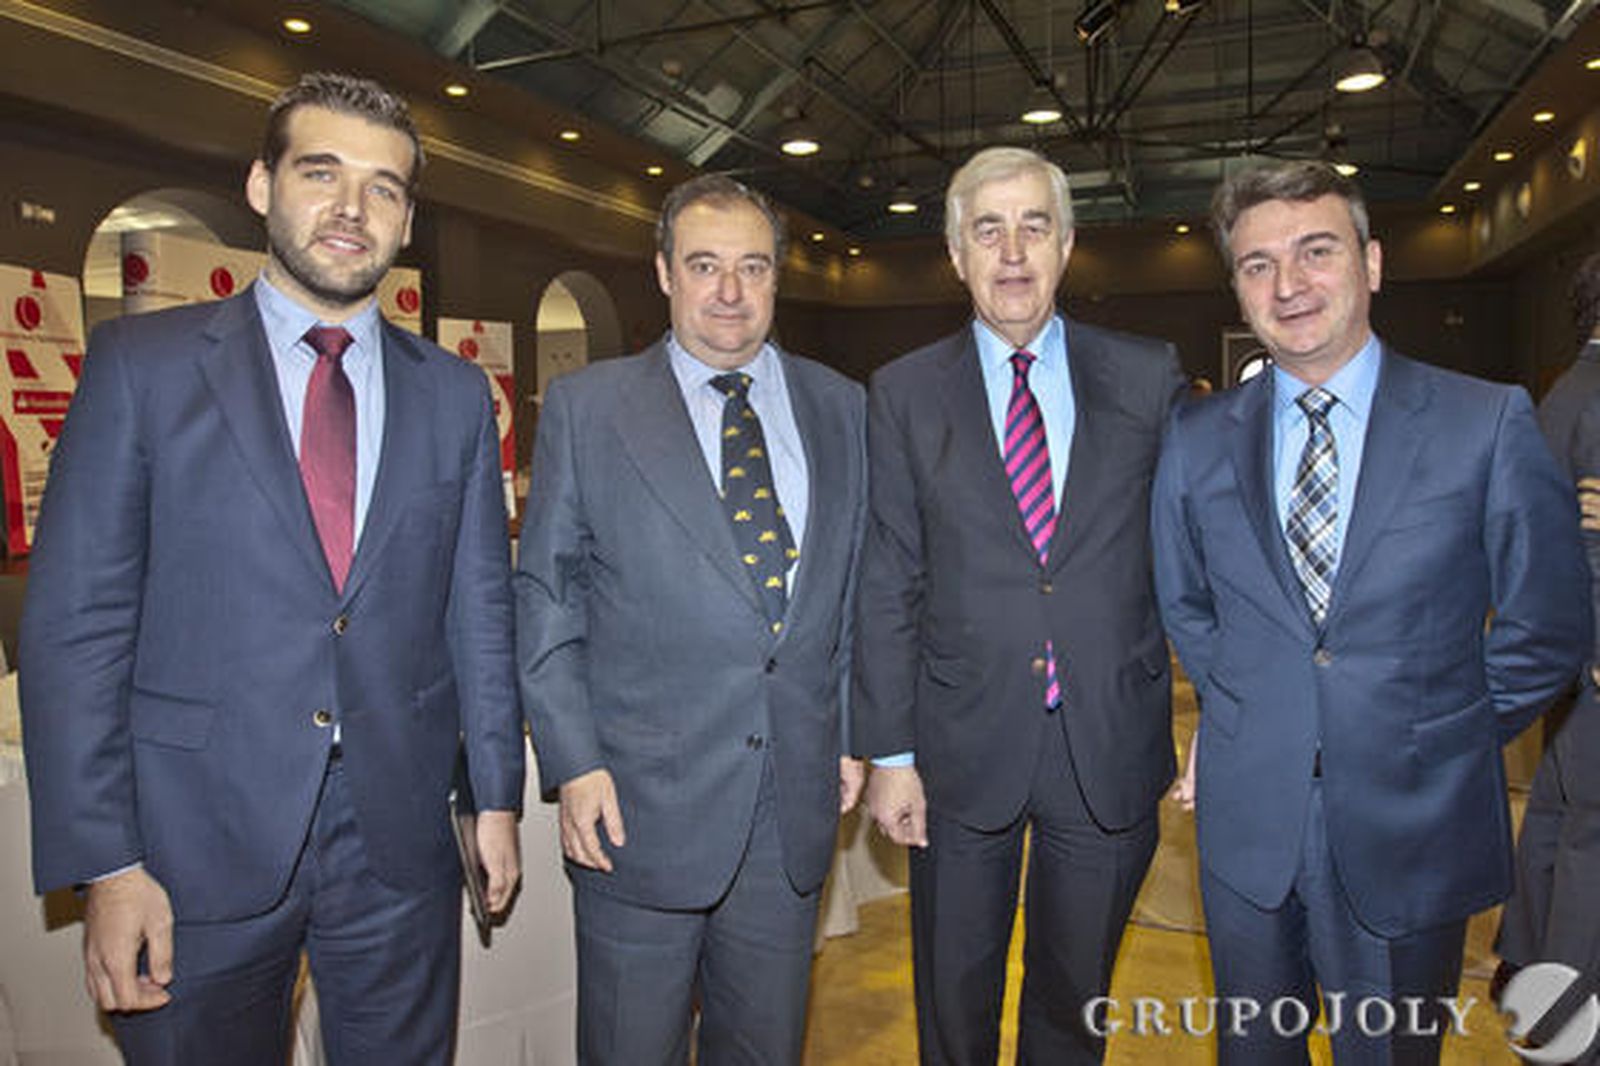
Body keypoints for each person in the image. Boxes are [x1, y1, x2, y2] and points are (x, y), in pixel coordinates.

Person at [19, 72, 525, 1065]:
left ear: (407, 217)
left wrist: (494, 796)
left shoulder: (455, 397)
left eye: (384, 187)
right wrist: (108, 864)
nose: (351, 209)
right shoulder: (141, 368)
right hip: (188, 847)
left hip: (398, 841)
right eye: (321, 172)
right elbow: (75, 627)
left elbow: (479, 612)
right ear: (261, 185)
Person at [1151, 159, 1589, 1063]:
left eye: (1317, 251)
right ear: (1237, 285)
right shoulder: (1196, 438)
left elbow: (1547, 625)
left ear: (1373, 263)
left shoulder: (1486, 422)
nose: (1289, 283)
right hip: (1250, 825)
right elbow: (1184, 600)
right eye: (1258, 264)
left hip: (1412, 819)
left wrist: (1439, 729)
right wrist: (1245, 708)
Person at [514, 174, 867, 1065]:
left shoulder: (844, 408)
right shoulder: (589, 410)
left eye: (753, 267)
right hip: (636, 807)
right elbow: (547, 594)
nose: (730, 293)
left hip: (789, 807)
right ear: (664, 272)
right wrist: (574, 761)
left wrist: (856, 731)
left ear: (778, 278)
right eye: (705, 265)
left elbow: (861, 588)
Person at [852, 146, 1186, 1065]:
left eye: (1033, 226)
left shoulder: (1148, 377)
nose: (1011, 252)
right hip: (957, 753)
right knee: (954, 1003)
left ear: (1067, 245)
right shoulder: (905, 393)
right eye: (986, 230)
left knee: (1075, 1004)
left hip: (1108, 743)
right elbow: (888, 578)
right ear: (955, 254)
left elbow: (1193, 560)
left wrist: (1227, 718)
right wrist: (889, 753)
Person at [1493, 250, 1600, 1060]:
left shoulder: (1562, 394)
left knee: (1559, 826)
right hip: (1588, 660)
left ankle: (1526, 977)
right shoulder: (1587, 399)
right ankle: (1567, 1027)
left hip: (1565, 661)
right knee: (1587, 847)